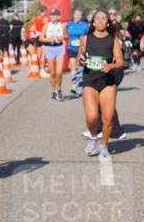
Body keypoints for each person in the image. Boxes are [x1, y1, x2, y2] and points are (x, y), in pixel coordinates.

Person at [78, 10, 124, 158]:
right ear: (93, 22)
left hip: (107, 81)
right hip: (90, 80)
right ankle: (93, 137)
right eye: (97, 18)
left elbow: (120, 62)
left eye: (103, 18)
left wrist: (111, 66)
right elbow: (81, 55)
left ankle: (104, 145)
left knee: (108, 118)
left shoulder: (113, 39)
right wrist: (81, 60)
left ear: (108, 23)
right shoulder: (85, 38)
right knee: (91, 117)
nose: (100, 21)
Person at [40, 9, 68, 100]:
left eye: (54, 15)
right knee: (52, 73)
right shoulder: (47, 26)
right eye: (51, 15)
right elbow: (41, 38)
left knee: (59, 73)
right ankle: (53, 91)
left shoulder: (62, 26)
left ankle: (59, 90)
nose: (52, 16)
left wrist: (61, 37)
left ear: (59, 17)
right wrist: (48, 40)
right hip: (50, 49)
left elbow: (67, 36)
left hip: (59, 49)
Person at [66, 9, 89, 96]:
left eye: (79, 15)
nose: (77, 16)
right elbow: (65, 33)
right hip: (71, 48)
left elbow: (89, 35)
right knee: (73, 67)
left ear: (81, 16)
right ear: (73, 15)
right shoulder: (69, 24)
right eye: (76, 15)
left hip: (82, 49)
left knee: (79, 67)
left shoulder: (85, 25)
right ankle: (74, 85)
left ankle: (80, 84)